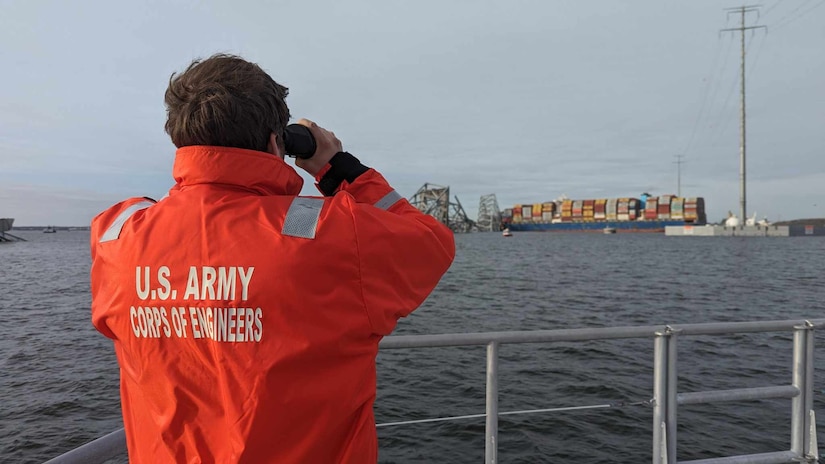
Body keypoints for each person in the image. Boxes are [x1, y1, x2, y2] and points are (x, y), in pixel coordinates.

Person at [90, 53, 455, 463]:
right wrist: (338, 167)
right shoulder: (333, 233)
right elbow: (432, 241)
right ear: (273, 141)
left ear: (180, 137)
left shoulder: (116, 234)